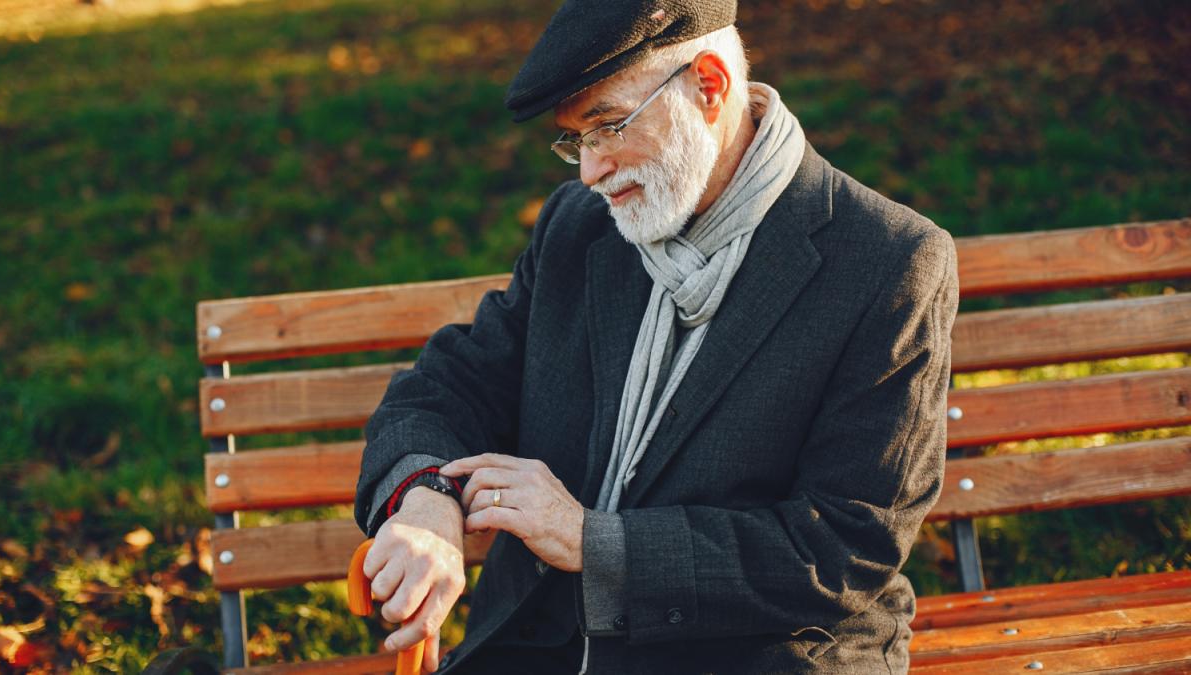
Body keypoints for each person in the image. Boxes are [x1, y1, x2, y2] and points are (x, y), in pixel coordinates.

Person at [352, 1, 960, 673]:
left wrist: (596, 542)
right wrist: (426, 499)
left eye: (609, 125)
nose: (590, 170)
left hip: (760, 655)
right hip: (543, 646)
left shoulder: (888, 260)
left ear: (709, 86)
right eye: (576, 139)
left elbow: (844, 550)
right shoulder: (580, 228)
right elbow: (444, 389)